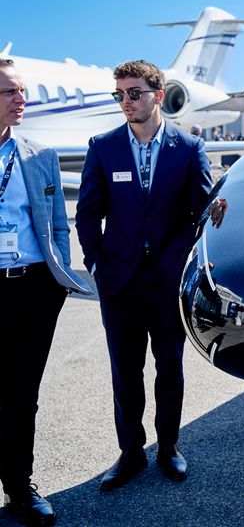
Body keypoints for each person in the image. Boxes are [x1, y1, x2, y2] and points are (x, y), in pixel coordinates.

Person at [76, 60, 212, 491]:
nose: (126, 102)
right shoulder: (103, 146)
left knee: (169, 368)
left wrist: (186, 260)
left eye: (134, 93)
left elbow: (202, 212)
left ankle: (168, 447)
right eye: (119, 95)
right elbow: (87, 214)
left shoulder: (189, 148)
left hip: (166, 283)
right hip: (120, 281)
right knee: (125, 372)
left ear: (157, 94)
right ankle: (131, 452)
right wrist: (96, 263)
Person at [0, 59, 93, 526]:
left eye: (21, 91)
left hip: (34, 289)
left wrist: (56, 279)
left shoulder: (40, 154)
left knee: (22, 393)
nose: (22, 100)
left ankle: (20, 487)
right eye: (10, 92)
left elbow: (58, 222)